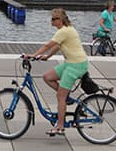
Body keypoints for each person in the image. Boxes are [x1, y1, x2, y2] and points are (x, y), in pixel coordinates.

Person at [26, 8, 88, 136]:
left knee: (60, 96)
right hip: (70, 63)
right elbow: (57, 46)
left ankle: (60, 127)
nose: (52, 21)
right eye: (51, 19)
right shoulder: (65, 30)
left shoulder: (64, 31)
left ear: (61, 20)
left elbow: (47, 45)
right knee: (47, 77)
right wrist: (47, 57)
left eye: (54, 19)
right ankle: (66, 97)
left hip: (76, 65)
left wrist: (32, 55)